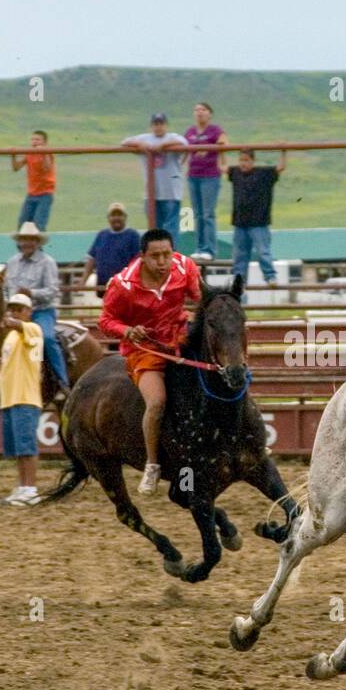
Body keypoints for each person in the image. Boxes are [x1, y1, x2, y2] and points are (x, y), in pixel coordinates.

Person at [97, 229, 203, 495]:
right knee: (156, 402)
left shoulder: (185, 267)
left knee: (222, 371)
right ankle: (152, 463)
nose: (162, 261)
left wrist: (194, 316)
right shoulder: (122, 285)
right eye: (155, 256)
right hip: (145, 350)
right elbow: (106, 321)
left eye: (166, 254)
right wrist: (127, 330)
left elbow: (202, 299)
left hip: (180, 341)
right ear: (142, 256)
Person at [5, 221, 70, 401]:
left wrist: (31, 293)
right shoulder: (12, 263)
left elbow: (52, 291)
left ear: (37, 242)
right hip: (16, 311)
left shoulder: (47, 262)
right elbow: (7, 289)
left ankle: (62, 382)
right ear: (20, 241)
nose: (27, 243)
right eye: (24, 239)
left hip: (41, 311)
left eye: (31, 240)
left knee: (47, 338)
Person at [0, 293, 44, 506]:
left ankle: (31, 489)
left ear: (28, 312)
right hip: (11, 397)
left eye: (19, 309)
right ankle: (23, 486)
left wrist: (12, 321)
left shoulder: (33, 329)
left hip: (24, 396)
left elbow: (21, 328)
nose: (15, 313)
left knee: (26, 447)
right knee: (19, 449)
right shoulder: (12, 337)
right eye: (12, 308)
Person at [227, 149, 287, 287]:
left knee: (263, 252)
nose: (243, 163)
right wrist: (220, 152)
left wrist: (283, 151)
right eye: (241, 160)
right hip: (240, 223)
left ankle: (270, 277)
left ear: (253, 161)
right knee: (240, 256)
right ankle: (239, 283)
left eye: (246, 160)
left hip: (259, 222)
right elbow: (222, 168)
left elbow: (281, 167)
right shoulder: (236, 173)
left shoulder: (263, 173)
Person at [123, 113, 188, 239]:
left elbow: (184, 143)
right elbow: (125, 143)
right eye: (155, 124)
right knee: (155, 228)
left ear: (166, 125)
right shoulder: (145, 139)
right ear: (151, 126)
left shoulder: (172, 137)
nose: (158, 127)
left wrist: (163, 146)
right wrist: (140, 146)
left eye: (161, 124)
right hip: (152, 192)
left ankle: (171, 255)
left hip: (171, 192)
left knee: (171, 228)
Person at [185, 102, 227, 261]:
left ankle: (210, 249)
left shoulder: (215, 130)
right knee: (197, 214)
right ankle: (199, 247)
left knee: (208, 213)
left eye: (203, 110)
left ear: (210, 113)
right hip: (193, 175)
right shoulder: (190, 132)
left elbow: (223, 143)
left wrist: (210, 149)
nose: (199, 113)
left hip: (210, 176)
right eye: (196, 110)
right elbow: (183, 148)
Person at [84, 202, 142, 292]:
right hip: (103, 286)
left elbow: (139, 261)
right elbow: (91, 259)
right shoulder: (101, 235)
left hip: (125, 286)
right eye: (113, 215)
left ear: (125, 217)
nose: (116, 218)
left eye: (119, 215)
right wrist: (83, 281)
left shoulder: (133, 235)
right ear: (108, 218)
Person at [11, 130, 55, 231]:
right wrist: (13, 156)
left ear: (44, 143)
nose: (34, 142)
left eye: (38, 140)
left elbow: (47, 168)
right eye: (33, 139)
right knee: (23, 224)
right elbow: (16, 168)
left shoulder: (48, 153)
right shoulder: (29, 153)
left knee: (38, 224)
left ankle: (38, 245)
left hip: (45, 194)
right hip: (31, 193)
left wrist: (44, 153)